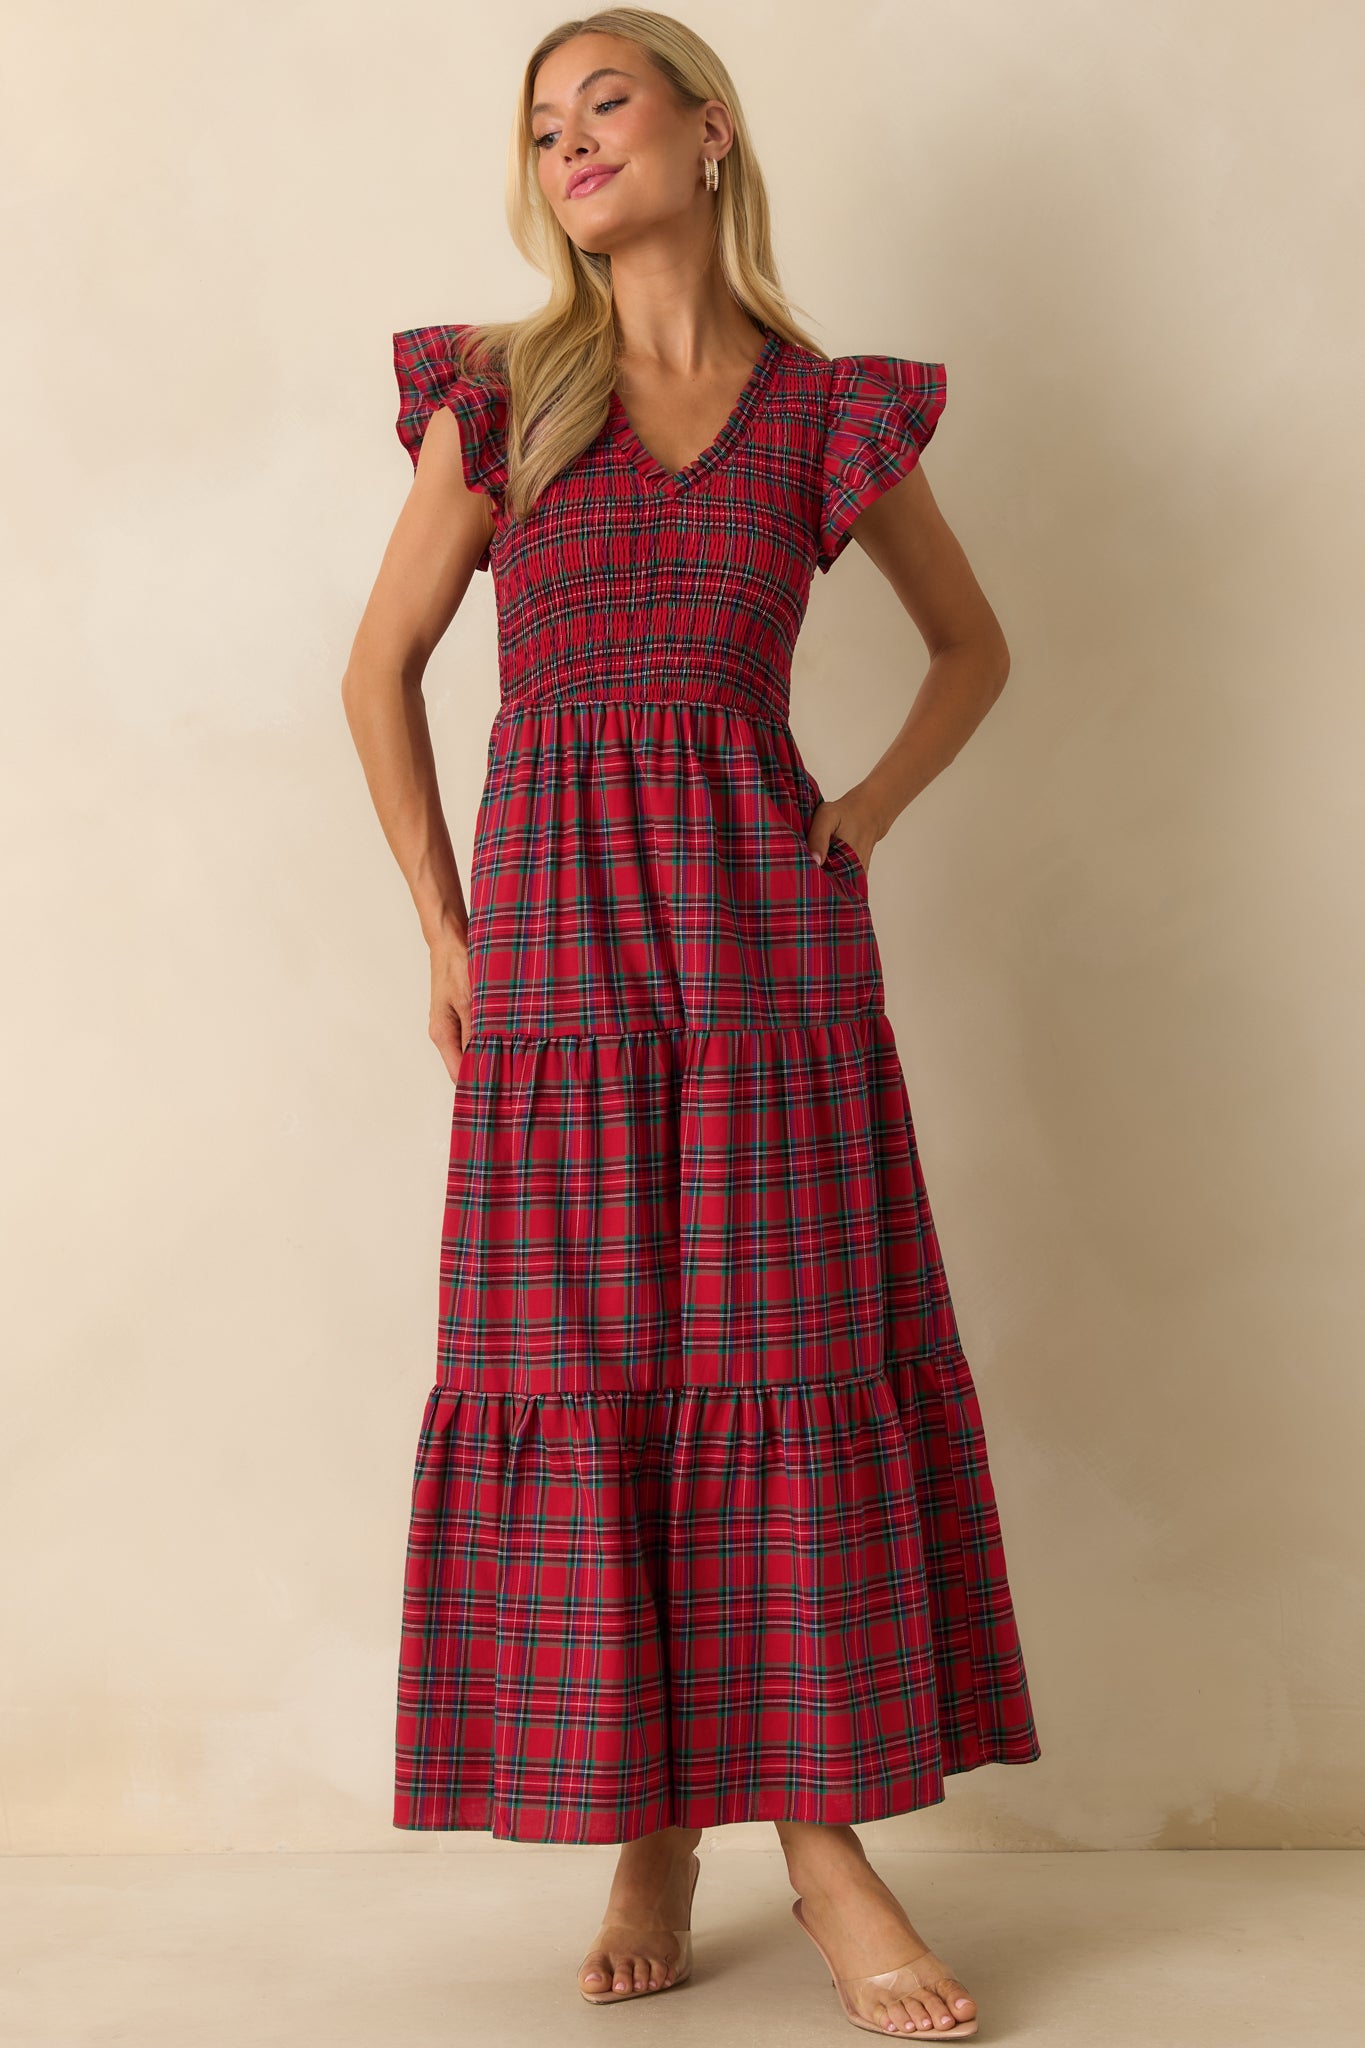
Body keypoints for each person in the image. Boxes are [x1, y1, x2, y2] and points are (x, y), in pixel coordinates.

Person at [342, 8, 1042, 2038]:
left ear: (707, 132)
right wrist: (441, 927)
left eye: (606, 101)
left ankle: (818, 1845)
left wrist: (861, 814)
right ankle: (649, 1810)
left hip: (761, 950)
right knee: (584, 1355)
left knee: (775, 1357)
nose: (567, 140)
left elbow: (970, 646)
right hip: (555, 954)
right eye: (540, 121)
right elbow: (377, 672)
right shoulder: (498, 403)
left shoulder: (822, 412)